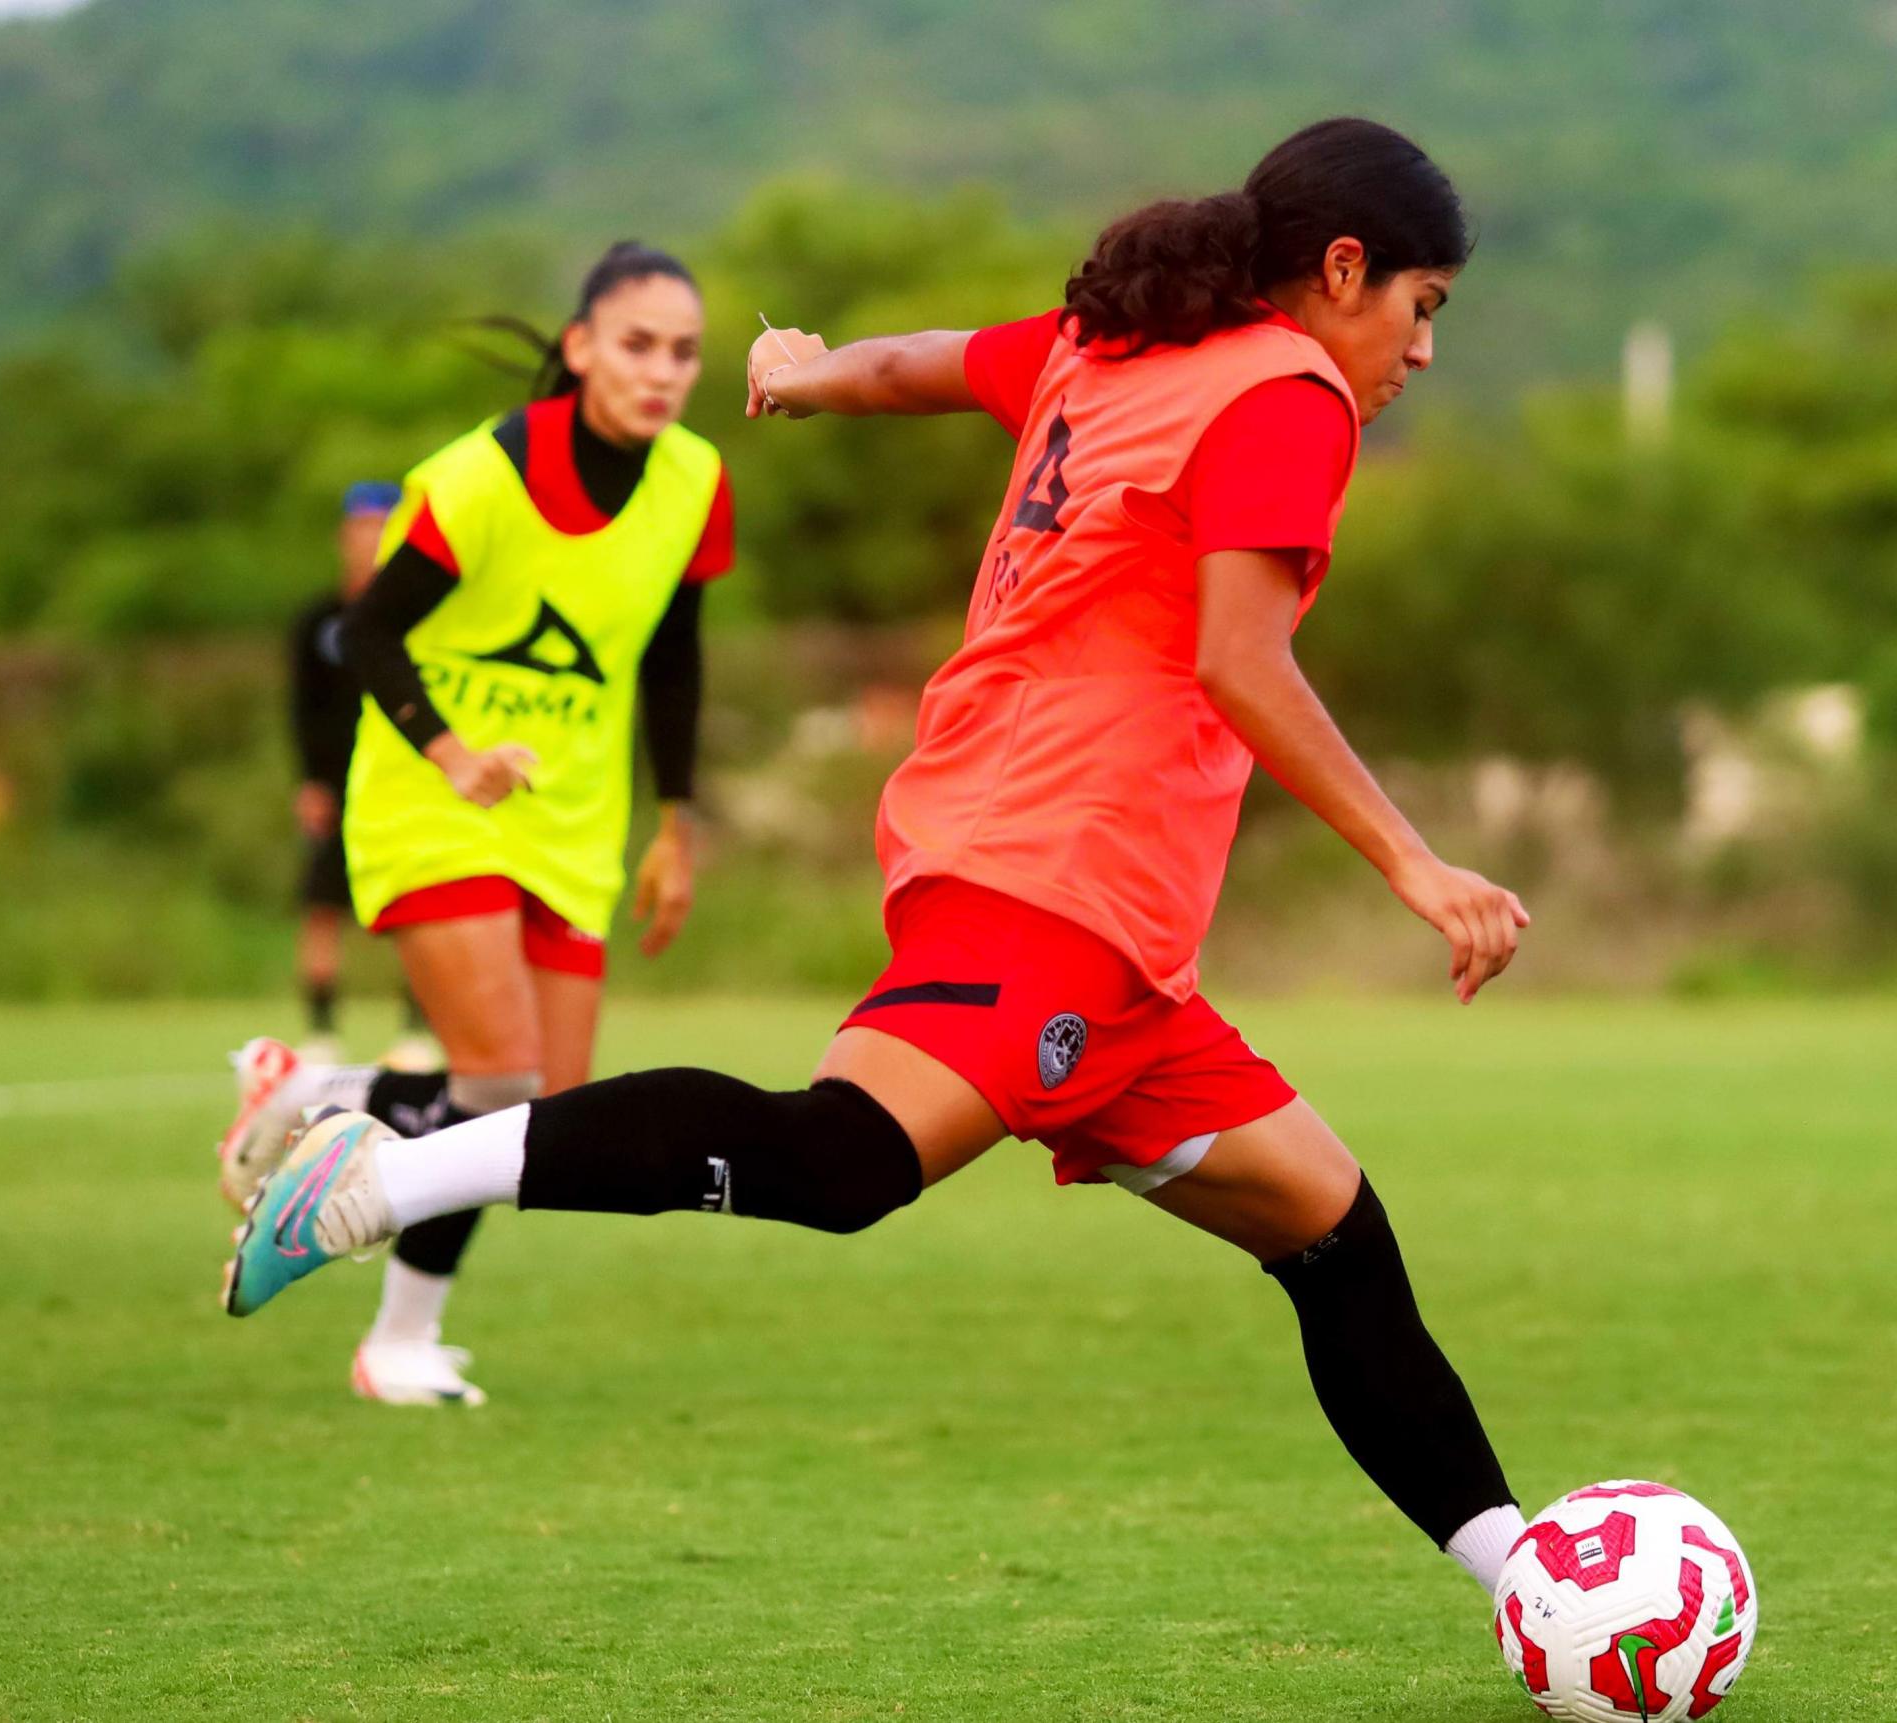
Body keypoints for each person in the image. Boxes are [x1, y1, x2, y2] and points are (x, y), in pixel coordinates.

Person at [223, 118, 1532, 1602]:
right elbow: (1242, 659)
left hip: (1069, 901)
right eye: (1423, 308)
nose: (1422, 352)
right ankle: (382, 1176)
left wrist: (808, 373)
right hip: (1057, 868)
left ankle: (1531, 1579)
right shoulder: (1289, 391)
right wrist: (1418, 864)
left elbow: (927, 362)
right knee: (841, 1158)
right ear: (1343, 268)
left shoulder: (1116, 342)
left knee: (1330, 1227)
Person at [216, 241, 735, 1406]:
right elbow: (365, 635)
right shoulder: (481, 473)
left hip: (569, 817)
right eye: (637, 344)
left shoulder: (695, 479)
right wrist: (452, 753)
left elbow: (675, 654)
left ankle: (324, 1096)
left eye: (684, 351)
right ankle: (396, 1341)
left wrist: (677, 825)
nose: (661, 371)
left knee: (545, 1117)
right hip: (429, 794)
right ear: (582, 344)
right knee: (497, 1091)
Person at [285, 482, 437, 1066]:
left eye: (382, 528)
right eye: (361, 529)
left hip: (408, 780)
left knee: (418, 902)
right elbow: (302, 708)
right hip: (340, 785)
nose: (369, 541)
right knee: (323, 905)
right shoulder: (317, 621)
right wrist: (312, 782)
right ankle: (322, 1031)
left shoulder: (418, 615)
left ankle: (414, 1032)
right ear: (343, 537)